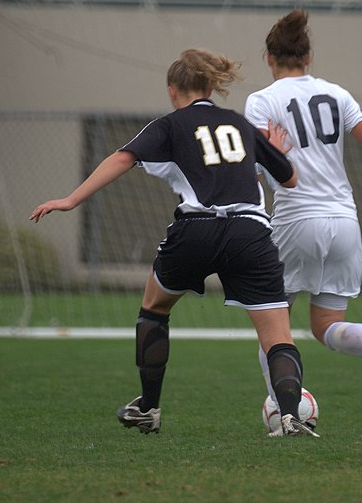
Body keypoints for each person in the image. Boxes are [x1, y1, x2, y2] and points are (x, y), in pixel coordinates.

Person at [30, 48, 318, 437]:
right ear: (209, 86)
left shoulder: (169, 124)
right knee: (276, 335)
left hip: (195, 228)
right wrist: (272, 153)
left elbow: (122, 158)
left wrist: (71, 199)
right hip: (250, 232)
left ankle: (148, 408)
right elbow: (290, 179)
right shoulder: (239, 123)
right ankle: (291, 418)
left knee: (154, 308)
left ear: (173, 90)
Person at [244, 9, 362, 410]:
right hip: (343, 220)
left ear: (269, 59)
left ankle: (289, 412)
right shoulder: (336, 94)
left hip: (294, 219)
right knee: (326, 326)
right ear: (309, 58)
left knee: (273, 328)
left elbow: (253, 167)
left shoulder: (261, 101)